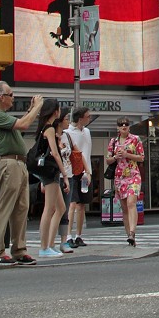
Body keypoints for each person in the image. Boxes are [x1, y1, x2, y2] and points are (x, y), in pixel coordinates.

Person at [0, 81, 44, 265]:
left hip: (19, 163)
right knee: (6, 207)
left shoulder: (3, 116)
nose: (13, 98)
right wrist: (37, 107)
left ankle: (19, 249)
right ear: (1, 97)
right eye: (10, 95)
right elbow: (24, 124)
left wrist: (31, 109)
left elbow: (21, 123)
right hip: (8, 163)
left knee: (21, 208)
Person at [34, 98, 70, 258]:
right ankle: (44, 247)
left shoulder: (45, 128)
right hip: (50, 172)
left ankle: (50, 244)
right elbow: (55, 154)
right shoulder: (49, 129)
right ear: (55, 112)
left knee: (60, 208)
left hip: (48, 172)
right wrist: (65, 174)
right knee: (49, 208)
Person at [106, 117, 144, 246]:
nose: (124, 126)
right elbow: (108, 160)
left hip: (133, 174)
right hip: (119, 176)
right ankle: (129, 235)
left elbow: (141, 158)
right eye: (121, 125)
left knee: (131, 202)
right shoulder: (113, 141)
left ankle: (133, 232)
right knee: (124, 208)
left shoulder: (135, 139)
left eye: (126, 124)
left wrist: (127, 155)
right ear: (117, 127)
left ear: (129, 127)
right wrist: (116, 157)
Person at [63, 107, 93, 249]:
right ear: (80, 118)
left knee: (82, 204)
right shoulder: (67, 132)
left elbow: (86, 152)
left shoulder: (87, 132)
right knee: (72, 204)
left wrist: (89, 171)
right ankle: (68, 236)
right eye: (87, 116)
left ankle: (79, 235)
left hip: (84, 171)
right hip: (72, 171)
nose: (89, 118)